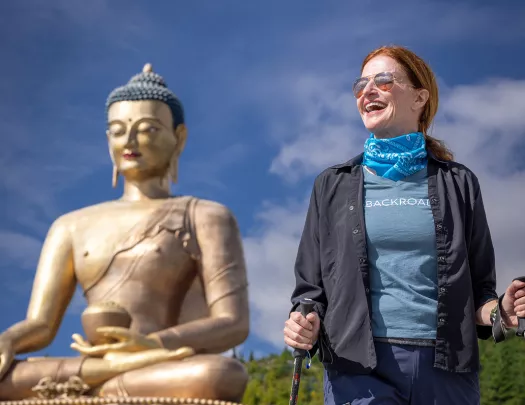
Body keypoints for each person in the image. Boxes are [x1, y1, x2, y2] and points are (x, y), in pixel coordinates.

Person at [283, 45, 525, 405]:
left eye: (383, 80)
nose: (368, 90)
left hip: (447, 370)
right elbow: (310, 291)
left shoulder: (459, 183)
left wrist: (500, 312)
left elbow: (479, 290)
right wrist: (304, 321)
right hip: (358, 370)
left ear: (419, 97)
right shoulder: (331, 184)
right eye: (361, 84)